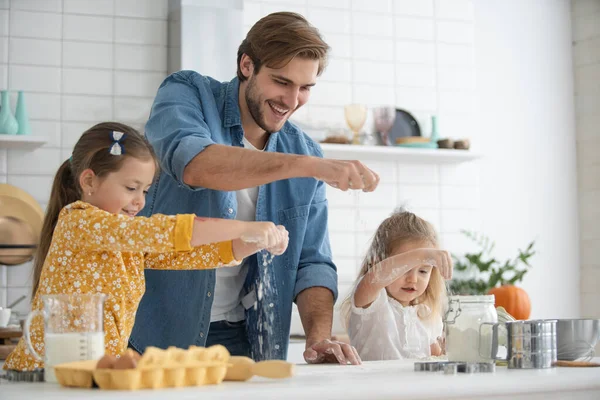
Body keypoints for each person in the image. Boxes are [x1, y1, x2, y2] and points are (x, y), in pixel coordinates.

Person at [129, 12, 380, 365]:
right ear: (247, 65)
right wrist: (308, 166)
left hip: (244, 341)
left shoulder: (306, 151)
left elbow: (312, 262)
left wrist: (319, 336)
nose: (292, 101)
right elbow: (196, 164)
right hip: (153, 334)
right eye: (281, 82)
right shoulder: (187, 94)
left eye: (305, 88)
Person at [3, 122, 288, 371]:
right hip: (42, 374)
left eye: (146, 190)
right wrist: (244, 226)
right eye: (131, 188)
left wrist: (251, 243)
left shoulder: (123, 238)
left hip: (86, 373)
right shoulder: (79, 222)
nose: (140, 201)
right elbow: (165, 232)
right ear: (89, 180)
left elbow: (187, 255)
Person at [340, 209, 453, 361]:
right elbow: (376, 277)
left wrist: (447, 352)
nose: (413, 279)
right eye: (404, 269)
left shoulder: (426, 315)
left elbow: (436, 359)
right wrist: (423, 255)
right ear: (377, 262)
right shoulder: (372, 304)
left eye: (423, 271)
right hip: (373, 384)